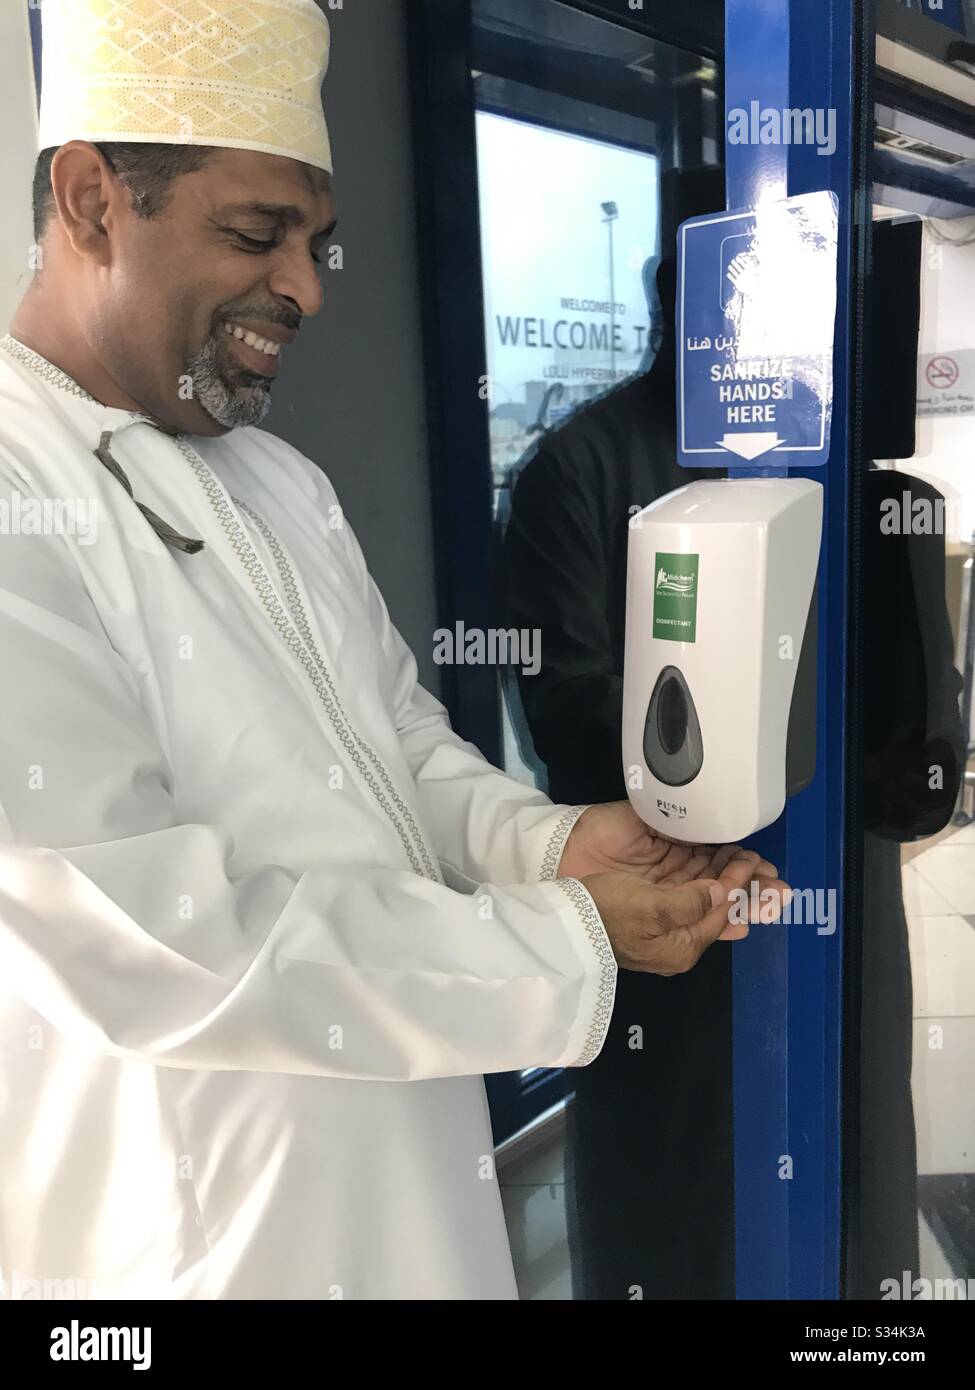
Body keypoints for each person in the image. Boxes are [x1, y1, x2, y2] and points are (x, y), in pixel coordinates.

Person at [0, 1, 786, 1300]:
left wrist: (544, 846)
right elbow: (150, 942)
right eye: (256, 232)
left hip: (408, 1184)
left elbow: (397, 749)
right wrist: (560, 940)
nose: (304, 286)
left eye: (315, 240)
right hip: (195, 1250)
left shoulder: (273, 481)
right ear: (91, 199)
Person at [502, 184, 740, 1299]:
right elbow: (563, 697)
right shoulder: (579, 471)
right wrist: (721, 768)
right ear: (671, 294)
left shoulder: (794, 465)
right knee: (666, 1195)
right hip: (659, 893)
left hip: (787, 897)